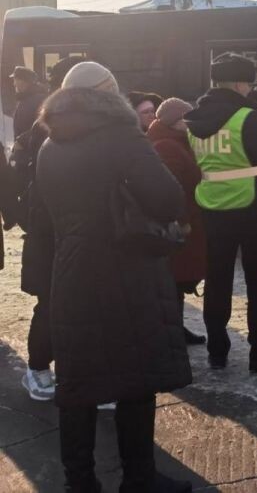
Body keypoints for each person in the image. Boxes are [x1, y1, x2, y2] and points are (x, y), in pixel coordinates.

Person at [35, 61, 191, 493]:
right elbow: (167, 200)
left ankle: (80, 482)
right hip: (125, 271)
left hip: (71, 272)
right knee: (135, 378)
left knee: (78, 382)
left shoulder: (51, 144)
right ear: (109, 94)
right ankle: (140, 478)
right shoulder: (122, 137)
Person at [184, 53, 257, 373]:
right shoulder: (249, 118)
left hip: (212, 206)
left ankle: (217, 349)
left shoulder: (193, 120)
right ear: (241, 82)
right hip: (251, 206)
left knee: (217, 279)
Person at [14, 55, 83, 402]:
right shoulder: (49, 126)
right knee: (51, 305)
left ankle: (72, 370)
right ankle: (38, 369)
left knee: (77, 306)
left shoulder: (74, 124)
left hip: (69, 234)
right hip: (51, 234)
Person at [148, 98, 208, 346]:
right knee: (173, 280)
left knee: (176, 281)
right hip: (179, 226)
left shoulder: (174, 141)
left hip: (183, 222)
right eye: (187, 118)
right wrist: (182, 219)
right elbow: (174, 189)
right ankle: (170, 333)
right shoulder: (167, 146)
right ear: (176, 121)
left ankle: (175, 329)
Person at [10, 66, 48, 142]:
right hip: (25, 148)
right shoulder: (25, 99)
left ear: (23, 81)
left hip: (31, 149)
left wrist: (22, 141)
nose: (14, 84)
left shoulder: (38, 100)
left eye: (16, 80)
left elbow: (41, 127)